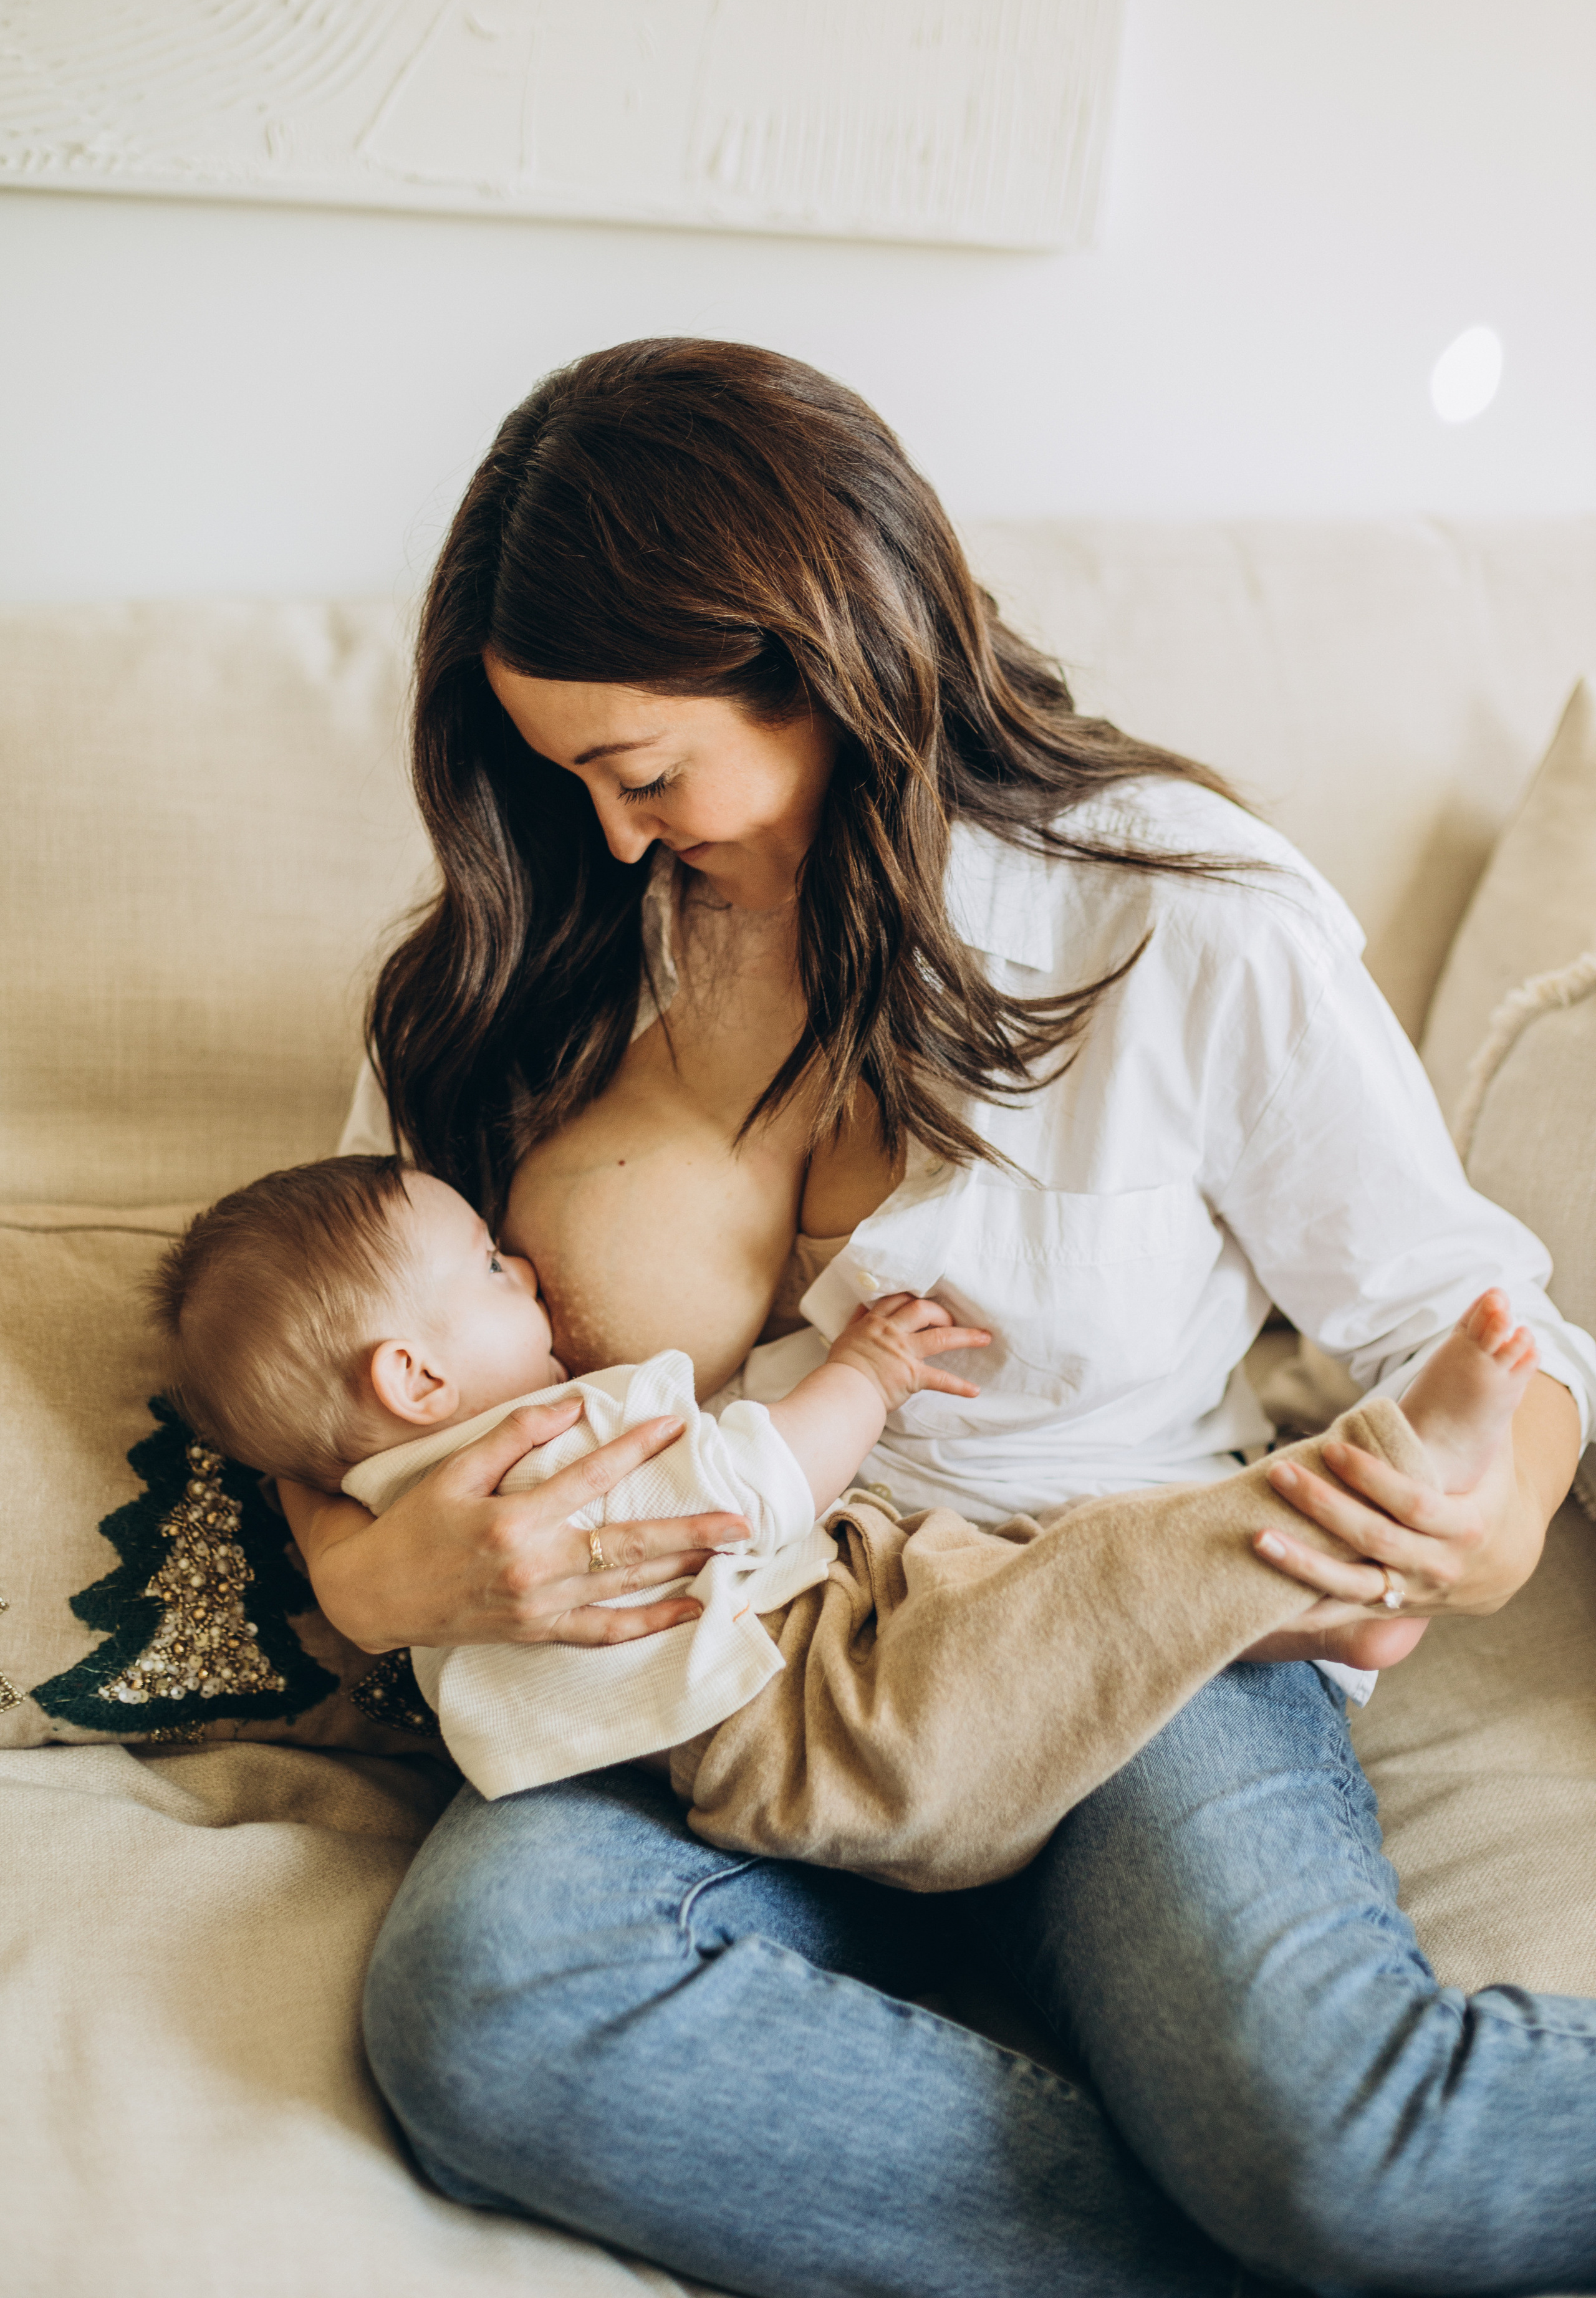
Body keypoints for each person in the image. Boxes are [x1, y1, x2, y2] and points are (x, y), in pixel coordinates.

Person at [277, 339, 1596, 2297]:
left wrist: (1498, 1499)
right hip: (717, 1668)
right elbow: (337, 1392)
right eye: (567, 779)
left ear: (824, 659)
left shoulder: (1179, 913)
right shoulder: (518, 968)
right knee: (487, 2010)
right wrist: (388, 1587)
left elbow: (1471, 1318)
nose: (613, 834)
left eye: (644, 771)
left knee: (1355, 2156)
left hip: (1120, 1625)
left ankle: (1324, 2219)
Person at [162, 1158, 1532, 1887]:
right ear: (416, 1379)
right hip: (823, 1722)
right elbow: (755, 1485)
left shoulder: (396, 1471)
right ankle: (1373, 1483)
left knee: (1047, 1584)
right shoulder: (547, 1456)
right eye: (487, 1267)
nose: (520, 1265)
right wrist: (863, 1378)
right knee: (1102, 1570)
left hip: (790, 1701)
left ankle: (1319, 1594)